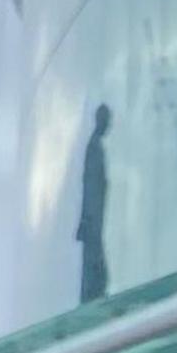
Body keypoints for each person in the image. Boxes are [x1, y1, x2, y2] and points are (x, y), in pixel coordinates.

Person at [78, 101, 113, 304]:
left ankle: (94, 292)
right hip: (93, 217)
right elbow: (91, 185)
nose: (109, 124)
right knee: (93, 260)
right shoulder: (94, 148)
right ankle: (92, 294)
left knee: (94, 259)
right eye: (107, 120)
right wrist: (89, 218)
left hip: (95, 216)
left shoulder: (95, 147)